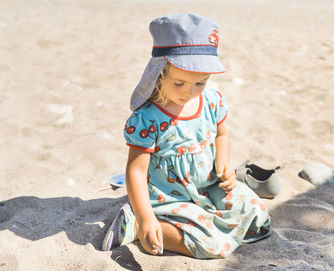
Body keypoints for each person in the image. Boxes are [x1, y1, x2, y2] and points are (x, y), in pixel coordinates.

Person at [102, 13, 272, 259]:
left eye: (199, 83)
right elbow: (136, 171)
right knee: (212, 245)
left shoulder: (212, 101)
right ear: (159, 73)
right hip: (168, 196)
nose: (189, 93)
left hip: (208, 187)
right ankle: (137, 225)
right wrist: (145, 216)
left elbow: (221, 134)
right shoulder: (148, 119)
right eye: (179, 83)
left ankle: (195, 220)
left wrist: (223, 163)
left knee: (258, 217)